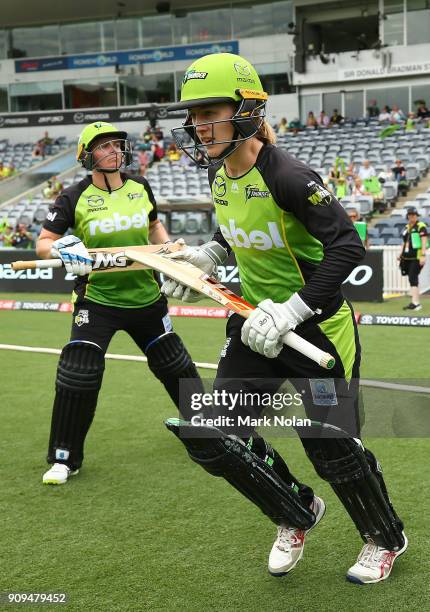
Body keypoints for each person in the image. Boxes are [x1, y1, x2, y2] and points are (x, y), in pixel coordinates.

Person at [162, 52, 407, 585]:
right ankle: (295, 513)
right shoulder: (219, 173)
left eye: (211, 112)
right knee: (213, 431)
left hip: (316, 329)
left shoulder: (291, 175)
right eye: (194, 115)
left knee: (332, 447)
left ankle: (385, 538)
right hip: (253, 325)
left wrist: (294, 309)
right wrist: (210, 257)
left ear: (248, 109)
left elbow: (348, 246)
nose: (199, 126)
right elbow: (239, 231)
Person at [36, 121, 203, 485]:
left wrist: (170, 248)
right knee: (78, 374)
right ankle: (64, 458)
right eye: (104, 146)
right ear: (87, 155)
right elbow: (44, 243)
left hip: (146, 296)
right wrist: (64, 248)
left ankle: (206, 427)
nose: (114, 150)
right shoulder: (72, 196)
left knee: (175, 364)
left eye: (117, 144)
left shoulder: (140, 186)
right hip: (98, 300)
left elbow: (154, 226)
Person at [399, 207, 428, 311]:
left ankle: (416, 303)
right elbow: (404, 242)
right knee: (411, 279)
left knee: (413, 278)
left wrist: (423, 255)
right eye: (410, 215)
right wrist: (400, 254)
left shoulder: (421, 226)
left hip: (416, 257)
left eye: (414, 215)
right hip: (407, 258)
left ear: (417, 215)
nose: (412, 216)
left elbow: (424, 240)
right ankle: (414, 301)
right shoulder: (406, 227)